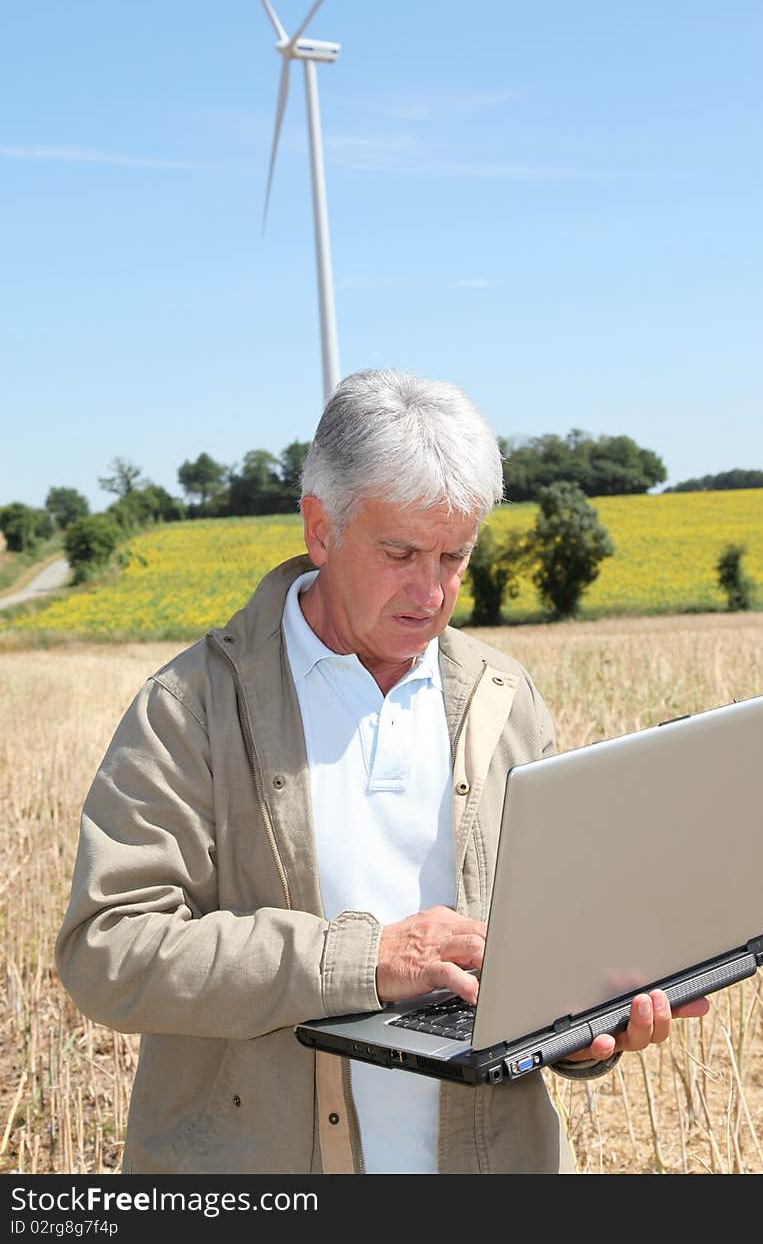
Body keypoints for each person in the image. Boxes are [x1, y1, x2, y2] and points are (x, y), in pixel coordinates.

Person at [55, 368, 709, 1175]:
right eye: (400, 552)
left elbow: (537, 949)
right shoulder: (188, 708)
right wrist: (363, 963)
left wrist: (587, 1026)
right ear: (320, 528)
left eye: (454, 556)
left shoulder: (503, 699)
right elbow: (108, 952)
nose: (431, 591)